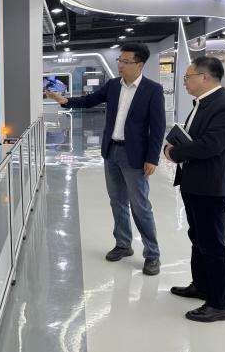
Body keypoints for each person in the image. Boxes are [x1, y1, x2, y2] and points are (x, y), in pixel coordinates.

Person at [46, 43, 165, 275]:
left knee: (140, 206)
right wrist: (64, 100)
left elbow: (158, 127)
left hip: (135, 156)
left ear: (140, 65)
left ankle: (152, 254)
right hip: (112, 152)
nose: (120, 65)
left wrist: (152, 158)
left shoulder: (152, 90)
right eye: (120, 60)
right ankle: (123, 244)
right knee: (117, 201)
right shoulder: (113, 85)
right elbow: (89, 100)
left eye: (126, 61)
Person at [164, 56, 225, 322]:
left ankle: (219, 304)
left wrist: (175, 153)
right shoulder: (203, 103)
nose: (185, 82)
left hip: (212, 186)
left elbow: (211, 145)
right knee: (198, 238)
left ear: (205, 77)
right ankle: (201, 285)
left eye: (188, 77)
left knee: (212, 243)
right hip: (195, 182)